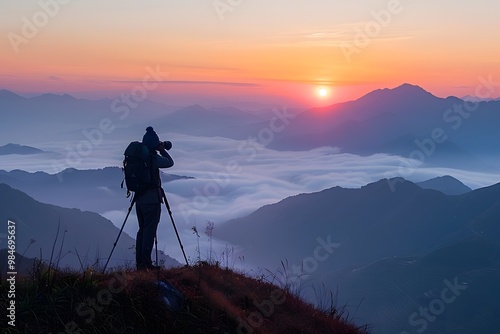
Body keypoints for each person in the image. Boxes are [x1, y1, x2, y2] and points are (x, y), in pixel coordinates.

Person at [135, 126, 174, 271]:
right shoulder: (153, 158)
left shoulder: (139, 158)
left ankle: (140, 263)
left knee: (142, 230)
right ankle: (146, 264)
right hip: (152, 201)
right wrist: (162, 149)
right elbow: (170, 162)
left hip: (138, 200)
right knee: (150, 232)